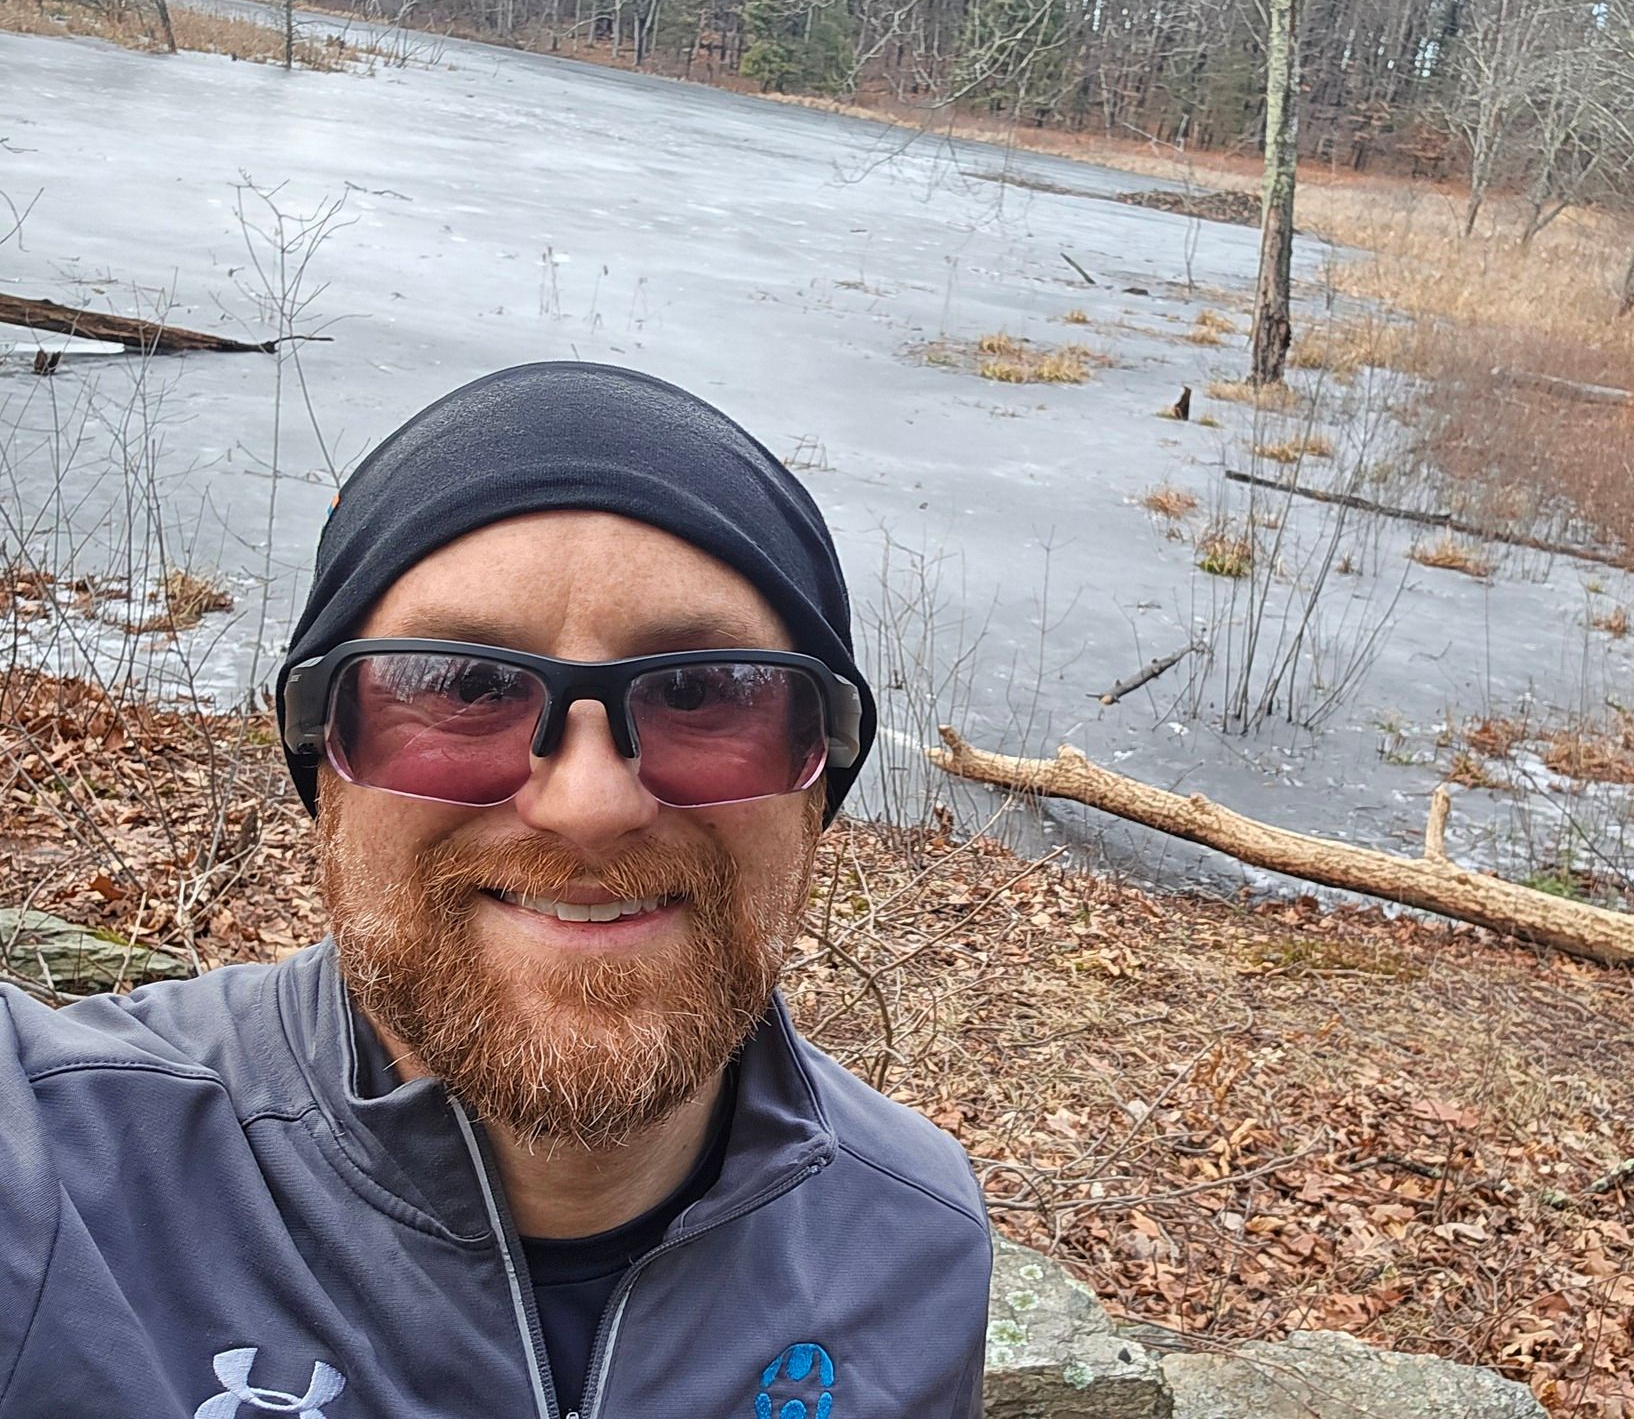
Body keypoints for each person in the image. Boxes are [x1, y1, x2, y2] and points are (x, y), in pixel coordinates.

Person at [0, 363, 992, 1419]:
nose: (587, 804)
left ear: (817, 775)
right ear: (323, 758)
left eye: (704, 691)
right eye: (464, 685)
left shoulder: (915, 1243)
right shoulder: (65, 1172)